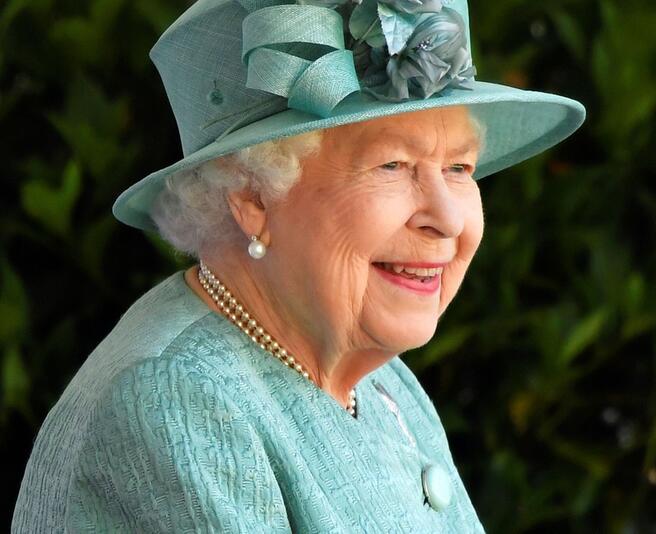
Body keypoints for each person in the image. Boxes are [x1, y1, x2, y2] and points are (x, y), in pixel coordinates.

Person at [12, 0, 585, 531]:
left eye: (459, 168)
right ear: (253, 197)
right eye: (391, 164)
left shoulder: (375, 376)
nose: (447, 218)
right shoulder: (179, 404)